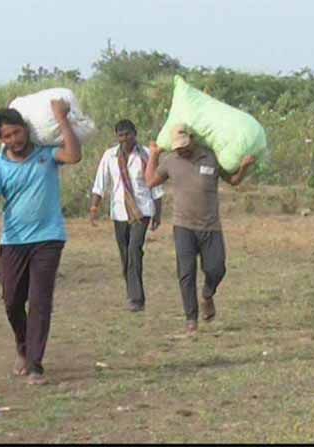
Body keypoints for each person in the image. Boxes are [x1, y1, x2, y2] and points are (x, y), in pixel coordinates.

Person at [0, 100, 82, 385]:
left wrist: (62, 119)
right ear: (1, 140)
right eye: (7, 136)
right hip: (13, 241)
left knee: (39, 301)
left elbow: (74, 156)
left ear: (25, 129)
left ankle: (36, 364)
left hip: (48, 238)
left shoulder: (47, 155)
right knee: (12, 300)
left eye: (17, 132)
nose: (14, 140)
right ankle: (22, 346)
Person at [144, 124, 255, 336]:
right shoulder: (170, 162)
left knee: (217, 268)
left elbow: (233, 180)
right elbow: (149, 181)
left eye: (184, 146)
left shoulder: (211, 157)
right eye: (177, 148)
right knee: (186, 273)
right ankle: (191, 320)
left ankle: (207, 293)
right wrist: (153, 155)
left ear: (192, 139)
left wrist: (244, 167)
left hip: (210, 226)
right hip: (183, 226)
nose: (182, 151)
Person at [89, 119, 164, 313]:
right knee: (126, 254)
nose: (124, 139)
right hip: (119, 211)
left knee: (133, 249)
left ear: (135, 134)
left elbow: (155, 185)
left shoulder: (146, 154)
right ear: (117, 137)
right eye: (120, 135)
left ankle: (136, 299)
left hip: (142, 210)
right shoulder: (110, 156)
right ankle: (133, 291)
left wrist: (158, 212)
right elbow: (100, 183)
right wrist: (94, 207)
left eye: (127, 135)